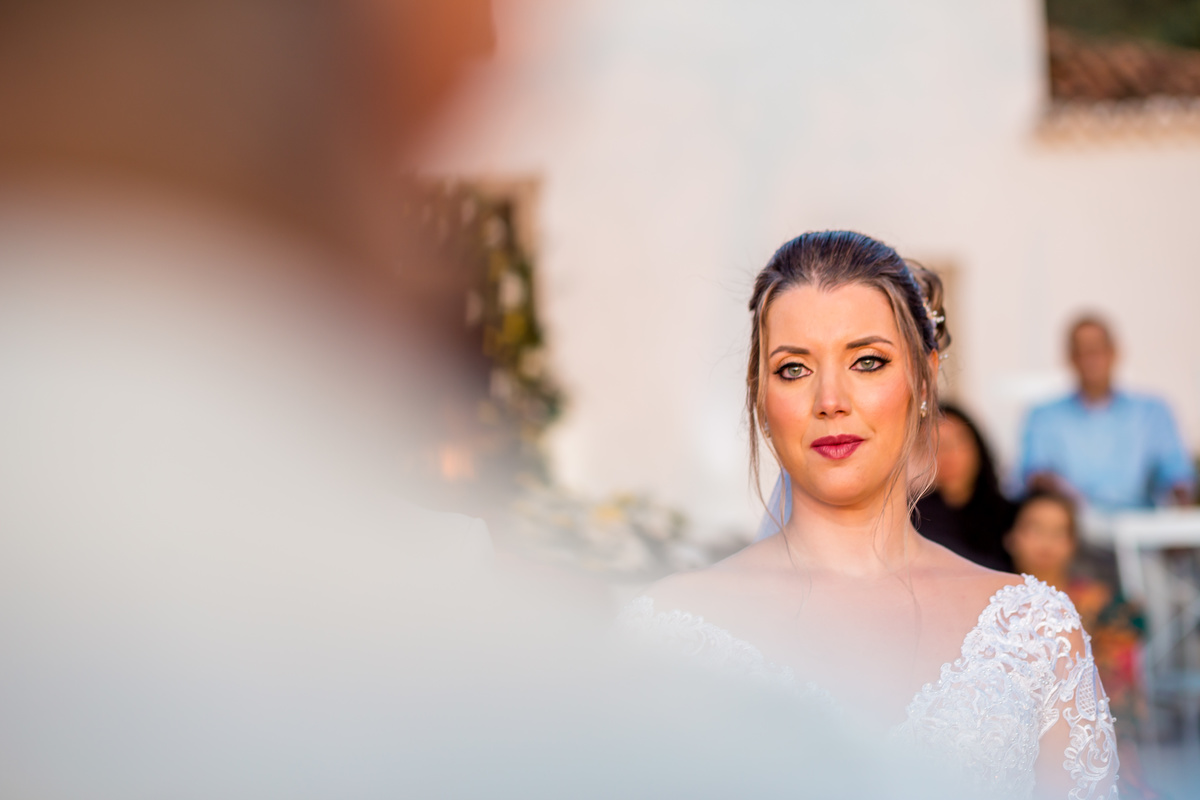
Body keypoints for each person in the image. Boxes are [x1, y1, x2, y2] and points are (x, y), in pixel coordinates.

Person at [621, 231, 1118, 799]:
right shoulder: (668, 632)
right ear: (760, 396)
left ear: (924, 377)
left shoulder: (1037, 634)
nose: (831, 399)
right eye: (793, 369)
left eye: (867, 361)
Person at [1006, 490, 1155, 799]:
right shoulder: (994, 605)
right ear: (1012, 536)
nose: (1046, 542)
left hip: (1089, 745)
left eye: (1059, 532)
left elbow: (1117, 701)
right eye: (1035, 528)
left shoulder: (1103, 606)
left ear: (1073, 543)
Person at [1019, 315, 1195, 510]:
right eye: (1081, 351)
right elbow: (1033, 474)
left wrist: (1178, 494)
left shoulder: (1152, 412)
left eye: (1096, 350)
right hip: (1072, 529)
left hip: (1141, 528)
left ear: (1114, 353)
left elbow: (1177, 473)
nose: (1090, 359)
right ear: (1070, 359)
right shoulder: (1044, 416)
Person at [912, 403, 1016, 572]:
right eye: (932, 446)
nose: (947, 456)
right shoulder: (911, 524)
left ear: (977, 444)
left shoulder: (1014, 518)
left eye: (955, 443)